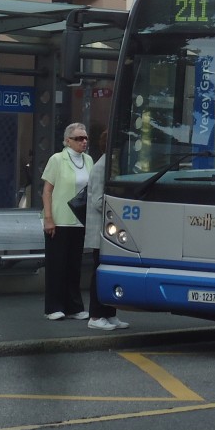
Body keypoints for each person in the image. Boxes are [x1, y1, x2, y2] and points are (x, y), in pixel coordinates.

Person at [41, 123, 91, 321]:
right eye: (79, 138)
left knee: (74, 265)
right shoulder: (57, 159)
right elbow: (47, 190)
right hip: (59, 219)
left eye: (85, 138)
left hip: (79, 220)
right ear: (68, 140)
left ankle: (74, 306)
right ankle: (53, 306)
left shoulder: (88, 160)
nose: (83, 142)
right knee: (56, 265)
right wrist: (48, 218)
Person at [84, 130, 129, 331]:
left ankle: (110, 313)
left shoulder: (109, 165)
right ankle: (95, 315)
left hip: (109, 229)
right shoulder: (101, 167)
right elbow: (97, 201)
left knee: (109, 271)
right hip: (100, 230)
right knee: (98, 273)